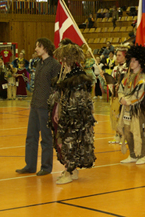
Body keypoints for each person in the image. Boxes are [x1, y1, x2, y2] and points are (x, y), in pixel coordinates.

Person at [47, 41, 96, 185]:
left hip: (74, 119)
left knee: (70, 143)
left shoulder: (78, 78)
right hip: (63, 116)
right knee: (62, 143)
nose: (61, 61)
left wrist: (67, 115)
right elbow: (59, 96)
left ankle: (69, 171)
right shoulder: (64, 75)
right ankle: (72, 169)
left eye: (64, 58)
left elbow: (78, 102)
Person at [16, 38, 61, 176]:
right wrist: (32, 103)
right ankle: (30, 165)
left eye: (38, 46)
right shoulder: (39, 64)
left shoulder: (54, 65)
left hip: (46, 106)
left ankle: (46, 167)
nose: (36, 49)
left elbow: (56, 88)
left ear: (45, 48)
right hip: (35, 105)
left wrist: (54, 107)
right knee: (31, 136)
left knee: (46, 137)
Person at [118, 45, 145, 165]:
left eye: (134, 61)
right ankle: (132, 155)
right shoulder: (127, 77)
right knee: (127, 132)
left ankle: (141, 155)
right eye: (131, 61)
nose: (132, 63)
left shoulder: (143, 78)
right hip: (126, 109)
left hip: (138, 110)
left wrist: (127, 101)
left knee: (138, 132)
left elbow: (139, 95)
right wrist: (121, 99)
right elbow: (120, 90)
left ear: (140, 62)